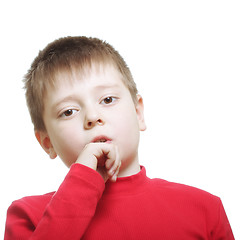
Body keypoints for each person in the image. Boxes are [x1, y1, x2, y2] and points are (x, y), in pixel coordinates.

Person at [4, 36, 234, 239]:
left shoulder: (204, 208)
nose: (93, 117)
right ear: (47, 143)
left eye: (107, 100)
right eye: (68, 112)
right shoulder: (29, 216)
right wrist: (83, 181)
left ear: (138, 113)